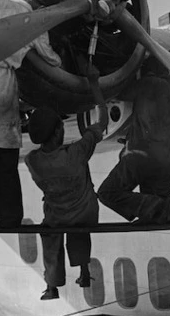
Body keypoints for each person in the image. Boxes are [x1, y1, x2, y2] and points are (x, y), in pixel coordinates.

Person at [24, 65, 109, 300]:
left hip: (57, 216)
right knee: (80, 224)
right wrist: (93, 83)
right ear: (55, 134)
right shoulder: (76, 153)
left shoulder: (33, 161)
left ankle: (52, 285)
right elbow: (101, 120)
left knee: (49, 232)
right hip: (84, 213)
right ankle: (83, 270)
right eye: (61, 127)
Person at [0, 0, 64, 227]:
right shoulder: (35, 19)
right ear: (42, 6)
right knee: (5, 159)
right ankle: (9, 219)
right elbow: (50, 58)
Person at [97, 54, 170, 224]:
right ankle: (168, 207)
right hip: (168, 161)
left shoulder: (149, 84)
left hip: (140, 157)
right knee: (153, 214)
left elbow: (120, 92)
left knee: (107, 193)